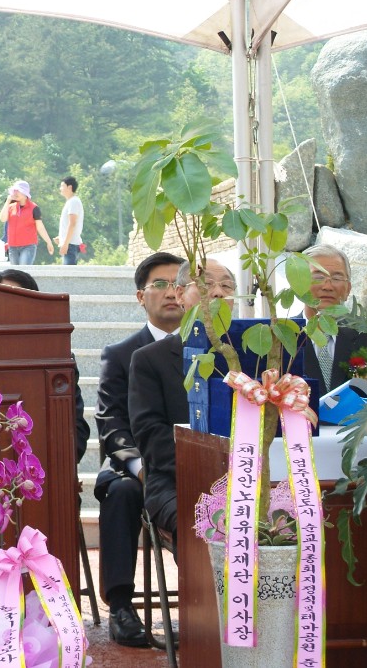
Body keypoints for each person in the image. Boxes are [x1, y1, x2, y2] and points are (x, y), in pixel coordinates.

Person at [93, 251, 184, 647]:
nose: (171, 292)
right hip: (138, 465)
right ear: (140, 296)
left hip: (192, 461)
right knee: (123, 491)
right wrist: (142, 467)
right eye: (160, 284)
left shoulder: (212, 349)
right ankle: (121, 606)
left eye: (179, 284)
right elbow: (112, 425)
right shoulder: (121, 354)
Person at [129, 258, 237, 547]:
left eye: (227, 286)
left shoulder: (257, 352)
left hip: (251, 477)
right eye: (206, 284)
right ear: (179, 294)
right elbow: (151, 435)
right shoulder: (150, 359)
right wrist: (213, 468)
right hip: (176, 480)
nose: (218, 292)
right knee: (202, 520)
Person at [0, 269, 89, 465]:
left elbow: (76, 428)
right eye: (2, 299)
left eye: (17, 299)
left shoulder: (58, 358)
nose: (9, 307)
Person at [300, 244, 367, 396]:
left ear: (348, 289)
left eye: (337, 278)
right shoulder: (281, 338)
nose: (328, 286)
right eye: (318, 277)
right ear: (299, 285)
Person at [0, 180, 55, 265]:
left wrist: (48, 242)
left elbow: (40, 227)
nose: (15, 193)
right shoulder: (10, 207)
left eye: (18, 191)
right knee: (15, 272)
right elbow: (3, 219)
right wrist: (8, 201)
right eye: (14, 191)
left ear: (25, 193)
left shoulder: (34, 208)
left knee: (23, 270)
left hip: (28, 246)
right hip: (12, 247)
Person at [54, 176, 84, 265]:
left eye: (62, 186)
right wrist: (61, 237)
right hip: (69, 244)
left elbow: (72, 223)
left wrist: (65, 244)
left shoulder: (73, 202)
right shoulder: (70, 202)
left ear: (70, 187)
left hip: (71, 245)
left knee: (68, 272)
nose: (60, 188)